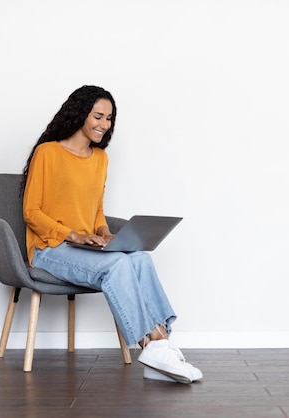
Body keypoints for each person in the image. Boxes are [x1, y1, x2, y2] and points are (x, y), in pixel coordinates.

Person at [21, 85, 202, 384]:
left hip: (83, 249)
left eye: (109, 118)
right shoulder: (48, 152)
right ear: (80, 114)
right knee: (117, 265)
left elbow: (95, 210)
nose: (104, 125)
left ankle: (159, 349)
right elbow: (31, 212)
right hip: (49, 249)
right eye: (98, 116)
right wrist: (74, 236)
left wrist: (103, 231)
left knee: (140, 258)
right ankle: (154, 346)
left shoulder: (100, 159)